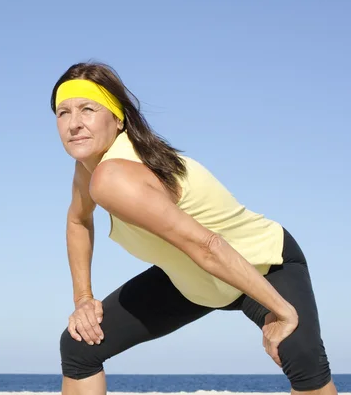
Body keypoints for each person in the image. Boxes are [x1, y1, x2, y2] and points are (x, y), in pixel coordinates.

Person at [50, 61, 338, 395]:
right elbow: (77, 220)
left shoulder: (113, 175)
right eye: (63, 113)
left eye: (87, 109)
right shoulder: (88, 169)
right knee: (80, 345)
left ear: (117, 119)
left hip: (262, 264)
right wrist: (83, 298)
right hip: (192, 280)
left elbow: (208, 246)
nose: (74, 124)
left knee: (300, 356)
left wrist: (283, 312)